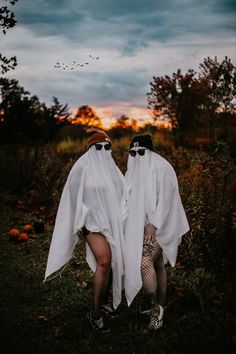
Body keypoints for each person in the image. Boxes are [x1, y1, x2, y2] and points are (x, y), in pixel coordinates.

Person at [44, 128, 125, 333]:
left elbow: (123, 194)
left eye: (108, 147)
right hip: (92, 225)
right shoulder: (82, 168)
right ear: (90, 149)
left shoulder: (113, 169)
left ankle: (105, 300)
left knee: (114, 263)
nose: (104, 151)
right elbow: (71, 196)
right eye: (99, 147)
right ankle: (95, 313)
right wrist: (79, 221)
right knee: (105, 260)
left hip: (113, 224)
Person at [123, 134, 189, 330]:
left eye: (141, 152)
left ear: (150, 151)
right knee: (158, 265)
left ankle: (155, 311)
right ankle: (162, 305)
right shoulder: (132, 171)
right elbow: (127, 200)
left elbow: (167, 200)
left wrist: (154, 224)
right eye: (132, 153)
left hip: (163, 226)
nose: (137, 156)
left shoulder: (163, 168)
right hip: (142, 229)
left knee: (144, 263)